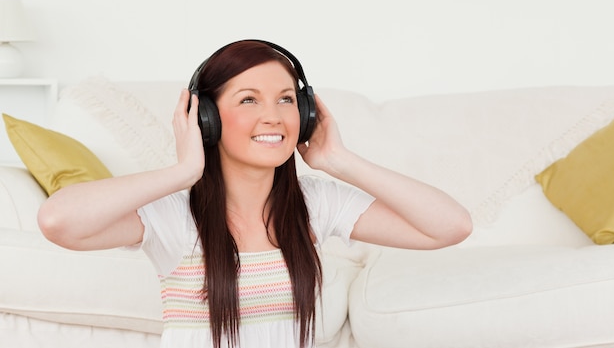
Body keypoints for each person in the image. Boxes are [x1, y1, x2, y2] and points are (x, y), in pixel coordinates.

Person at [38, 39, 472, 348]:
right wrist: (184, 170)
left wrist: (338, 158)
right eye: (249, 100)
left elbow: (450, 226)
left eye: (286, 100)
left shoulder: (315, 204)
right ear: (206, 118)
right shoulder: (173, 214)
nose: (274, 117)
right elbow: (59, 222)